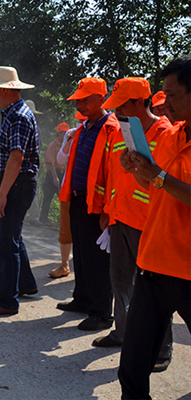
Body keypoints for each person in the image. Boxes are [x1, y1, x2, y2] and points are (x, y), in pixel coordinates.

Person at [118, 55, 191, 400]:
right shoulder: (170, 135)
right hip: (153, 263)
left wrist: (157, 176)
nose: (165, 103)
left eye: (173, 95)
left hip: (188, 269)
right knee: (132, 367)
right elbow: (156, 187)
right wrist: (138, 169)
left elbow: (166, 183)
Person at [94, 78, 174, 355]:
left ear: (140, 102)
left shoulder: (166, 133)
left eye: (122, 106)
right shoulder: (122, 131)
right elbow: (115, 174)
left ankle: (161, 348)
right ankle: (122, 332)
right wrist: (107, 210)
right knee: (120, 281)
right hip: (120, 217)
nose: (117, 112)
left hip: (150, 222)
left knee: (156, 290)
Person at [56, 77, 119, 331]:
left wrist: (108, 209)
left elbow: (115, 172)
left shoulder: (112, 128)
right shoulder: (83, 128)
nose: (80, 105)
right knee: (80, 252)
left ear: (101, 99)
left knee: (97, 260)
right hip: (79, 197)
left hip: (98, 203)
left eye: (85, 100)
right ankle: (82, 298)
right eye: (78, 100)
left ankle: (102, 313)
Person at [0, 66, 40, 316]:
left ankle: (7, 301)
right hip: (17, 181)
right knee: (14, 236)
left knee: (6, 242)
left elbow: (16, 158)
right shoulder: (14, 113)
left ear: (4, 90)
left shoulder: (18, 116)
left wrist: (1, 194)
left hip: (17, 183)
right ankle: (25, 283)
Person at [48, 121, 78, 279]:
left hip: (90, 190)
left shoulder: (102, 130)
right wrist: (69, 141)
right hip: (69, 187)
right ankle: (65, 264)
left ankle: (84, 266)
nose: (81, 123)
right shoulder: (71, 134)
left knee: (86, 230)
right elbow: (60, 160)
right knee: (65, 226)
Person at [39, 123, 69, 225]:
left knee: (64, 198)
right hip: (52, 174)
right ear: (59, 134)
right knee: (48, 196)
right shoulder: (52, 145)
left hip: (62, 173)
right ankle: (43, 219)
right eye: (64, 133)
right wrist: (55, 178)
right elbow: (50, 163)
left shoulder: (66, 144)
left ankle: (63, 220)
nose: (66, 135)